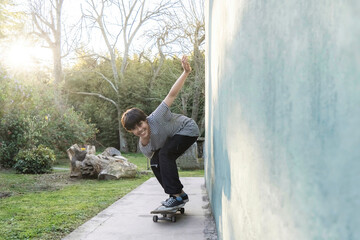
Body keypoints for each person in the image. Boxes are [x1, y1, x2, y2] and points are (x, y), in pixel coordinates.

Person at [121, 56, 199, 208]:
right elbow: (162, 164)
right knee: (156, 162)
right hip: (175, 138)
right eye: (135, 129)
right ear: (131, 131)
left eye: (141, 124)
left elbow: (171, 94)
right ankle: (179, 194)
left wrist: (185, 72)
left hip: (187, 129)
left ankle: (175, 196)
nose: (140, 130)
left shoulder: (156, 116)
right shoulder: (144, 146)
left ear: (145, 120)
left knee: (165, 154)